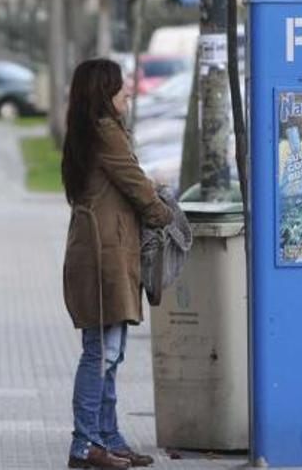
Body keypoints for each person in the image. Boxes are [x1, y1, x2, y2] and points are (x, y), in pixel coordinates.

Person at [61, 58, 173, 469]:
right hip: (102, 254)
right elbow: (135, 185)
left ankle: (108, 437)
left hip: (104, 250)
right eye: (119, 86)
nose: (128, 91)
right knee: (101, 354)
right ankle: (85, 443)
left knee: (110, 352)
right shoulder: (105, 132)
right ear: (102, 93)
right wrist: (163, 214)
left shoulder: (90, 132)